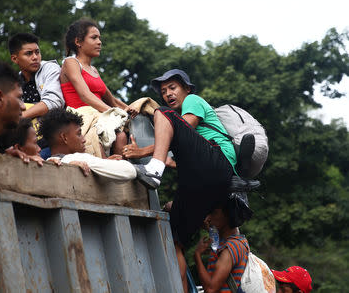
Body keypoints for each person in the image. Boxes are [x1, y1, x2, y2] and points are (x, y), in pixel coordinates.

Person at [123, 69, 237, 292]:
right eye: (164, 91)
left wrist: (141, 153)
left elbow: (179, 129)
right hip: (202, 182)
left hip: (218, 163)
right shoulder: (186, 144)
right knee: (174, 240)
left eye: (173, 88)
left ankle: (153, 170)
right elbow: (174, 155)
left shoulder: (194, 101)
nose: (168, 94)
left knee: (163, 113)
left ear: (187, 89)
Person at [60, 18, 138, 155]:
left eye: (99, 38)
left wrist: (128, 109)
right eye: (94, 38)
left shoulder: (94, 70)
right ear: (78, 42)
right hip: (81, 117)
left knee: (121, 136)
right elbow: (85, 95)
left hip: (100, 115)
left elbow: (112, 100)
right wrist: (112, 112)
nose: (99, 42)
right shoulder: (71, 62)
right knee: (97, 135)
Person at [40, 107, 136, 180]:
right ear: (64, 137)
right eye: (78, 134)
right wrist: (104, 163)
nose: (84, 139)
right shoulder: (76, 158)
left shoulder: (49, 162)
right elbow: (130, 171)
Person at [194, 202, 249, 293]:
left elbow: (211, 289)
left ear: (228, 215)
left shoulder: (231, 247)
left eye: (214, 213)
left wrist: (197, 256)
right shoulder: (232, 242)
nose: (208, 218)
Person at [8, 33, 64, 119]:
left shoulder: (50, 68)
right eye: (29, 53)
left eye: (37, 52)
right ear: (15, 59)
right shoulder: (14, 83)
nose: (35, 57)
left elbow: (54, 102)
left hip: (55, 127)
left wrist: (21, 117)